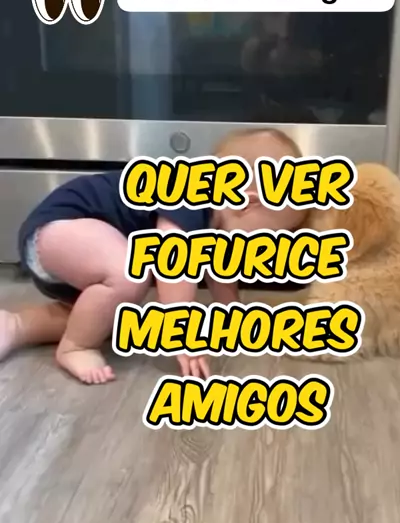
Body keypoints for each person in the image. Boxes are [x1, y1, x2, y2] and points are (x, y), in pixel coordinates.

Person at [0, 128, 306, 385]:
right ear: (246, 204)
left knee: (111, 318)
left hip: (74, 254)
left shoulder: (215, 225)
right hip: (58, 228)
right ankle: (74, 348)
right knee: (130, 274)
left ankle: (17, 326)